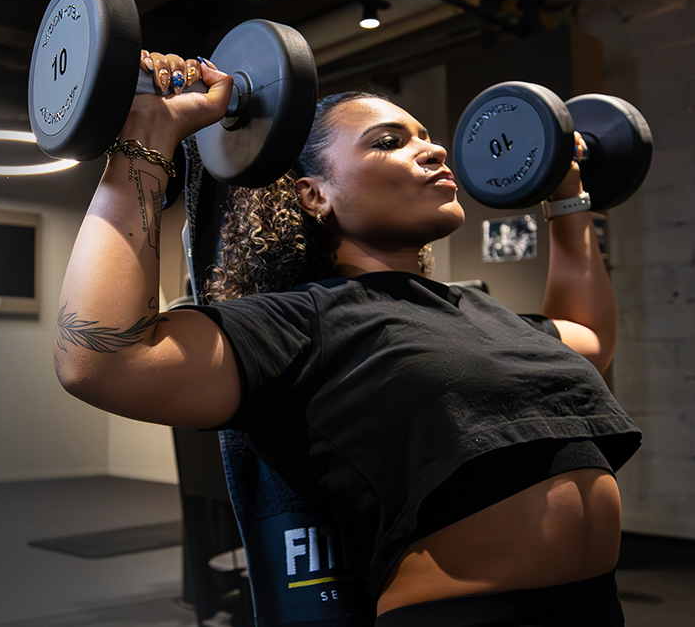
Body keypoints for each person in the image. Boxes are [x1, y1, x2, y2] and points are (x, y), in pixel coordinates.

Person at [52, 52, 639, 627]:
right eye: (389, 141)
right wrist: (149, 135)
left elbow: (588, 336)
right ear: (314, 195)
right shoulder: (306, 322)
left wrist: (566, 189)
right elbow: (102, 357)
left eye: (426, 136)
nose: (434, 149)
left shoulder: (480, 311)